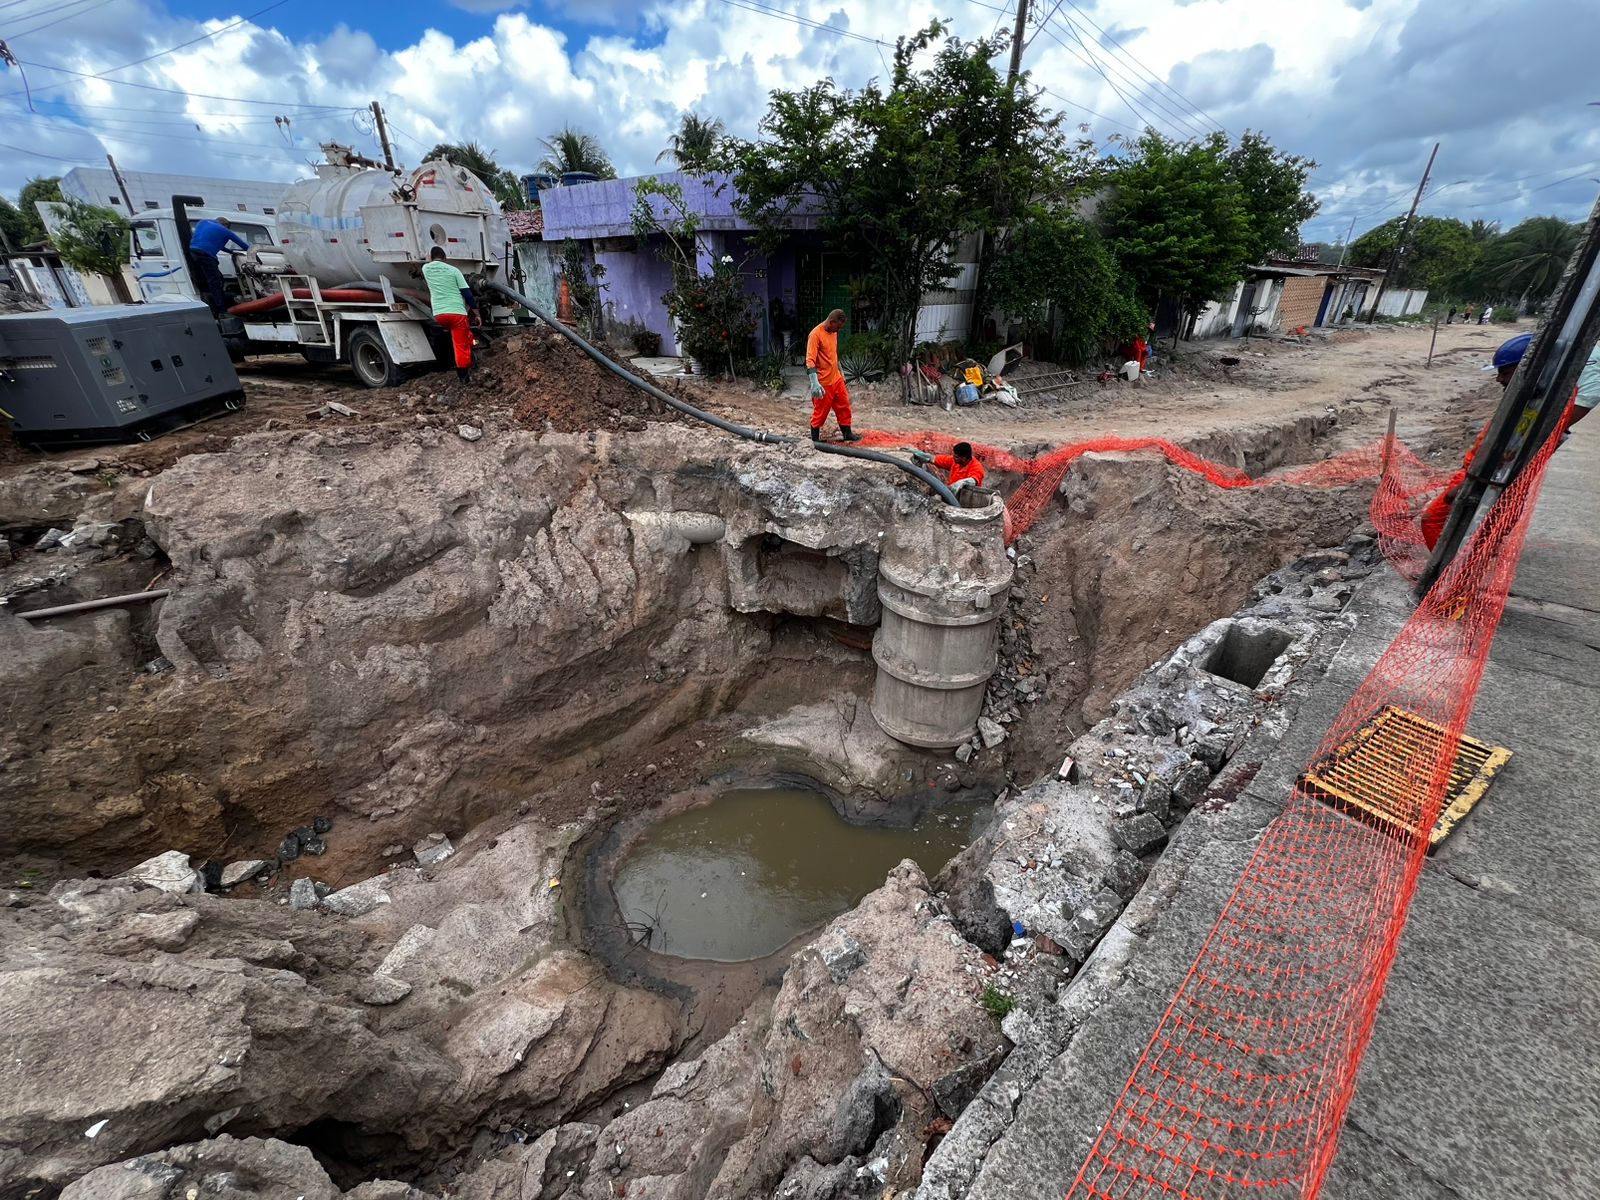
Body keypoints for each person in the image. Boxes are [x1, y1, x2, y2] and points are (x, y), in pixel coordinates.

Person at [1420, 332, 1591, 548]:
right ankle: (1459, 573)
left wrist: (1468, 482)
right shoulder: (1543, 399)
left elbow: (1509, 452)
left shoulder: (1535, 409)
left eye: (1505, 372)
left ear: (1529, 370)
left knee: (1436, 520)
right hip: (1492, 476)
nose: (1499, 379)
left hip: (1487, 477)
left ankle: (1449, 576)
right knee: (1485, 535)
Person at [421, 246, 479, 385]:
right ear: (445, 257)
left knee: (464, 335)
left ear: (431, 257)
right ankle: (464, 377)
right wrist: (477, 313)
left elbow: (424, 263)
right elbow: (468, 294)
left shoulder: (425, 269)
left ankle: (471, 349)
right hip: (457, 313)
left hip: (439, 315)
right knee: (460, 345)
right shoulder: (454, 271)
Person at [805, 308, 860, 442]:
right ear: (831, 322)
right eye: (838, 327)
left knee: (844, 405)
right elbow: (810, 360)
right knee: (821, 412)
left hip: (836, 378)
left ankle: (847, 433)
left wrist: (841, 372)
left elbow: (833, 353)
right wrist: (814, 382)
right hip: (823, 382)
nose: (838, 330)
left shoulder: (833, 331)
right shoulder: (815, 335)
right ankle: (815, 440)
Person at [187, 216, 249, 316]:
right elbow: (245, 246)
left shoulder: (202, 222)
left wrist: (231, 252)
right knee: (215, 282)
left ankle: (215, 301)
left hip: (193, 251)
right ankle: (221, 310)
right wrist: (254, 251)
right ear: (225, 225)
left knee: (214, 278)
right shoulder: (225, 230)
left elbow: (211, 241)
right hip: (206, 255)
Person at [911, 441, 985, 493]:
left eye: (956, 457)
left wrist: (962, 483)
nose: (953, 457)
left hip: (967, 498)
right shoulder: (955, 461)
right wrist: (924, 456)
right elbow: (936, 459)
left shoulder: (976, 467)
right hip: (952, 493)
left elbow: (974, 480)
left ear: (964, 458)